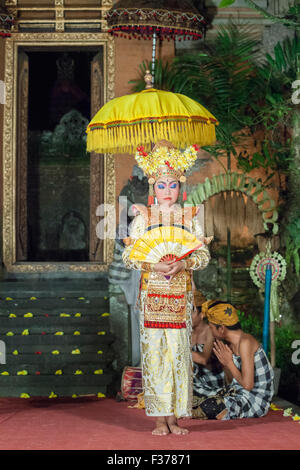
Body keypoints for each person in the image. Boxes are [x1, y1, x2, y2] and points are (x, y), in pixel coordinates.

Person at [122, 140, 210, 435]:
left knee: (178, 356)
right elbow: (130, 256)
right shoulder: (143, 218)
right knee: (156, 356)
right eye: (162, 185)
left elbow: (202, 254)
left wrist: (183, 265)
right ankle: (160, 417)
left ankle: (175, 416)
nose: (168, 191)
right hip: (152, 297)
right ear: (153, 187)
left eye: (173, 185)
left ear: (180, 185)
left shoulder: (190, 217)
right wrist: (155, 265)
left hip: (180, 296)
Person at [192, 300, 274, 420]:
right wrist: (225, 364)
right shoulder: (229, 345)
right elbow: (231, 382)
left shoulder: (246, 342)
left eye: (211, 327)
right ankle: (202, 410)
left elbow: (248, 385)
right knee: (195, 394)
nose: (210, 331)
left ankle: (202, 411)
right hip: (237, 393)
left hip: (254, 400)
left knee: (211, 405)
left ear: (221, 329)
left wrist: (229, 362)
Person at [192, 292, 225, 398]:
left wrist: (178, 350)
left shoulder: (210, 331)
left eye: (190, 313)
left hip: (212, 380)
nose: (186, 317)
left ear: (201, 315)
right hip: (195, 380)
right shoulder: (186, 331)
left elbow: (204, 359)